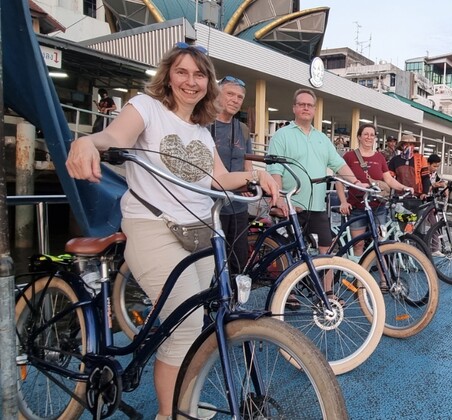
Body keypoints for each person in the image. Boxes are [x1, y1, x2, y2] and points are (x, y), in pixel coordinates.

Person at [65, 43, 279, 420]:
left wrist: (255, 175)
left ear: (208, 83)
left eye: (199, 75)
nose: (190, 81)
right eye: (182, 72)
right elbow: (115, 137)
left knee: (197, 324)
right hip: (154, 228)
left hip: (200, 233)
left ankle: (186, 400)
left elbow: (219, 178)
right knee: (185, 327)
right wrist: (87, 141)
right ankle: (169, 414)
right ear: (167, 75)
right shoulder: (146, 107)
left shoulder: (201, 130)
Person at [266, 88, 361, 301]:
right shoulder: (282, 135)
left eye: (309, 105)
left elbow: (338, 164)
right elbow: (275, 169)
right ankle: (287, 292)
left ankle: (327, 292)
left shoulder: (322, 139)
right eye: (301, 104)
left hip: (317, 206)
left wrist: (356, 181)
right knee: (289, 251)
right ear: (294, 108)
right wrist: (279, 199)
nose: (306, 108)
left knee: (327, 249)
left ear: (315, 110)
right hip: (292, 205)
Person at [336, 123, 412, 259]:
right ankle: (359, 272)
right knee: (358, 245)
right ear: (359, 137)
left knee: (381, 245)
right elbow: (339, 180)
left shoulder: (379, 158)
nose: (369, 137)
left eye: (372, 135)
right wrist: (343, 202)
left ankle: (382, 273)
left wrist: (403, 187)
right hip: (357, 207)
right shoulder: (349, 156)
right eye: (366, 134)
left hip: (378, 207)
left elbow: (388, 179)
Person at [211, 75, 252, 274]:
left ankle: (235, 293)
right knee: (211, 260)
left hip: (238, 206)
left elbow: (247, 163)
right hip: (208, 205)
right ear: (217, 94)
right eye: (230, 94)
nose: (235, 100)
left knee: (238, 260)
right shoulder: (203, 124)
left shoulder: (242, 129)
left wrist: (250, 183)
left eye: (239, 97)